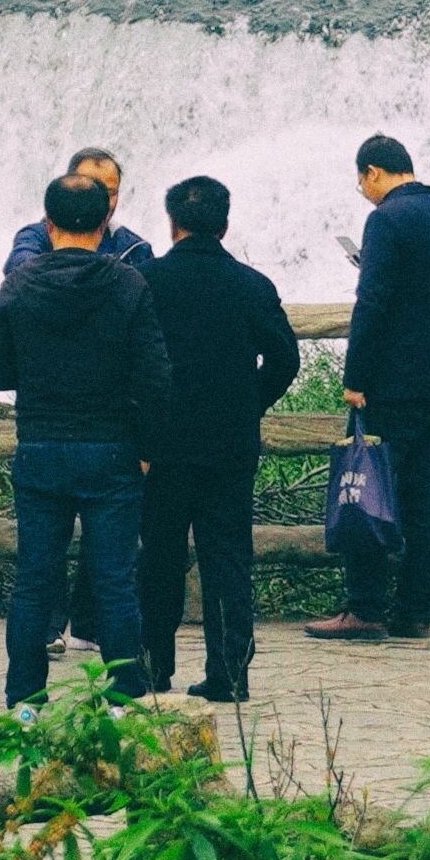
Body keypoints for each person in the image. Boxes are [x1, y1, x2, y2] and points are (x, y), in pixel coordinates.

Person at [0, 172, 167, 706]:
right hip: (112, 449)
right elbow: (155, 377)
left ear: (48, 223)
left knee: (34, 582)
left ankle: (25, 702)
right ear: (106, 220)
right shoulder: (129, 284)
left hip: (41, 447)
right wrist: (148, 450)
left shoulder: (19, 284)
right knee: (115, 583)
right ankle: (123, 700)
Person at [140, 176, 299, 702]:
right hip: (230, 443)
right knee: (228, 557)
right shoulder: (251, 285)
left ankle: (152, 665)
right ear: (225, 224)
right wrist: (250, 402)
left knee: (158, 555)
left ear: (172, 223)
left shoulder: (146, 282)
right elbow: (286, 359)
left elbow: (131, 363)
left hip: (162, 445)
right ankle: (229, 672)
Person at [309, 134, 430, 644]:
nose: (363, 191)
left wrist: (355, 377)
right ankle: (415, 611)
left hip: (387, 383)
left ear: (374, 172)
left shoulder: (385, 221)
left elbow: (373, 302)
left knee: (367, 487)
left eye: (362, 181)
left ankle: (365, 608)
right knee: (423, 500)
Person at [6, 148, 163, 281]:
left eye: (110, 193)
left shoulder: (135, 249)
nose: (101, 200)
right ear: (68, 187)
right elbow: (19, 268)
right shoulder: (36, 237)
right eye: (90, 190)